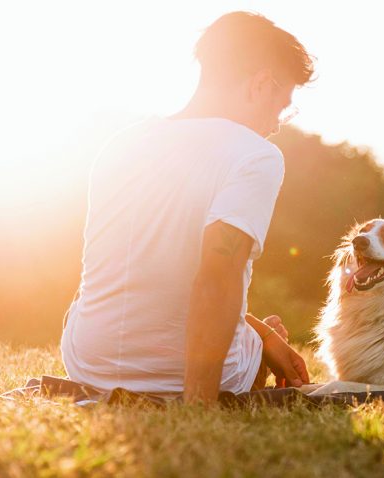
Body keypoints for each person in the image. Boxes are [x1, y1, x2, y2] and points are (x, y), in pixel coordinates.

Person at [60, 11, 313, 404]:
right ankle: (254, 349)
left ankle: (258, 337)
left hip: (88, 365)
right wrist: (199, 404)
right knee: (264, 331)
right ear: (261, 84)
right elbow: (218, 274)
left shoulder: (121, 144)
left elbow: (153, 280)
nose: (278, 124)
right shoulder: (256, 155)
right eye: (282, 107)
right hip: (180, 379)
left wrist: (257, 332)